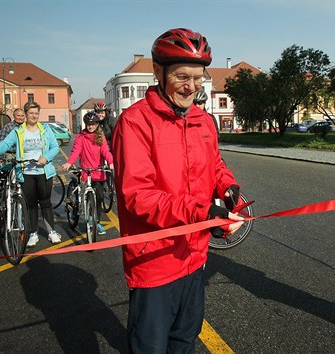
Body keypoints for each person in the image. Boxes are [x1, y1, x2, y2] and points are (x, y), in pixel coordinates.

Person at [111, 28, 244, 353]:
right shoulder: (134, 122)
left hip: (195, 255)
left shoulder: (202, 120)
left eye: (198, 78)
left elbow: (214, 164)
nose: (192, 87)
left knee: (185, 341)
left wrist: (227, 187)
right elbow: (137, 196)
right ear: (158, 72)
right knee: (151, 348)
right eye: (182, 77)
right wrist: (203, 212)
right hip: (155, 262)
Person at [0, 101, 62, 247]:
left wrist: (46, 158)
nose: (34, 116)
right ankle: (33, 233)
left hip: (43, 172)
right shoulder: (18, 131)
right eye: (31, 113)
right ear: (26, 114)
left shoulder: (45, 129)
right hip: (25, 171)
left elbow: (55, 147)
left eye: (36, 113)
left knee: (45, 202)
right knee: (31, 204)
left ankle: (51, 232)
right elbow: (5, 144)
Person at [61, 111, 114, 235]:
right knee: (86, 196)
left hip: (98, 172)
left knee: (99, 196)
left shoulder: (100, 137)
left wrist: (111, 162)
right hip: (86, 172)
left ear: (96, 125)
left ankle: (97, 222)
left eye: (93, 124)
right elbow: (76, 151)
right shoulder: (81, 137)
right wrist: (69, 162)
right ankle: (82, 209)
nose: (90, 126)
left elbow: (106, 151)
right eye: (88, 124)